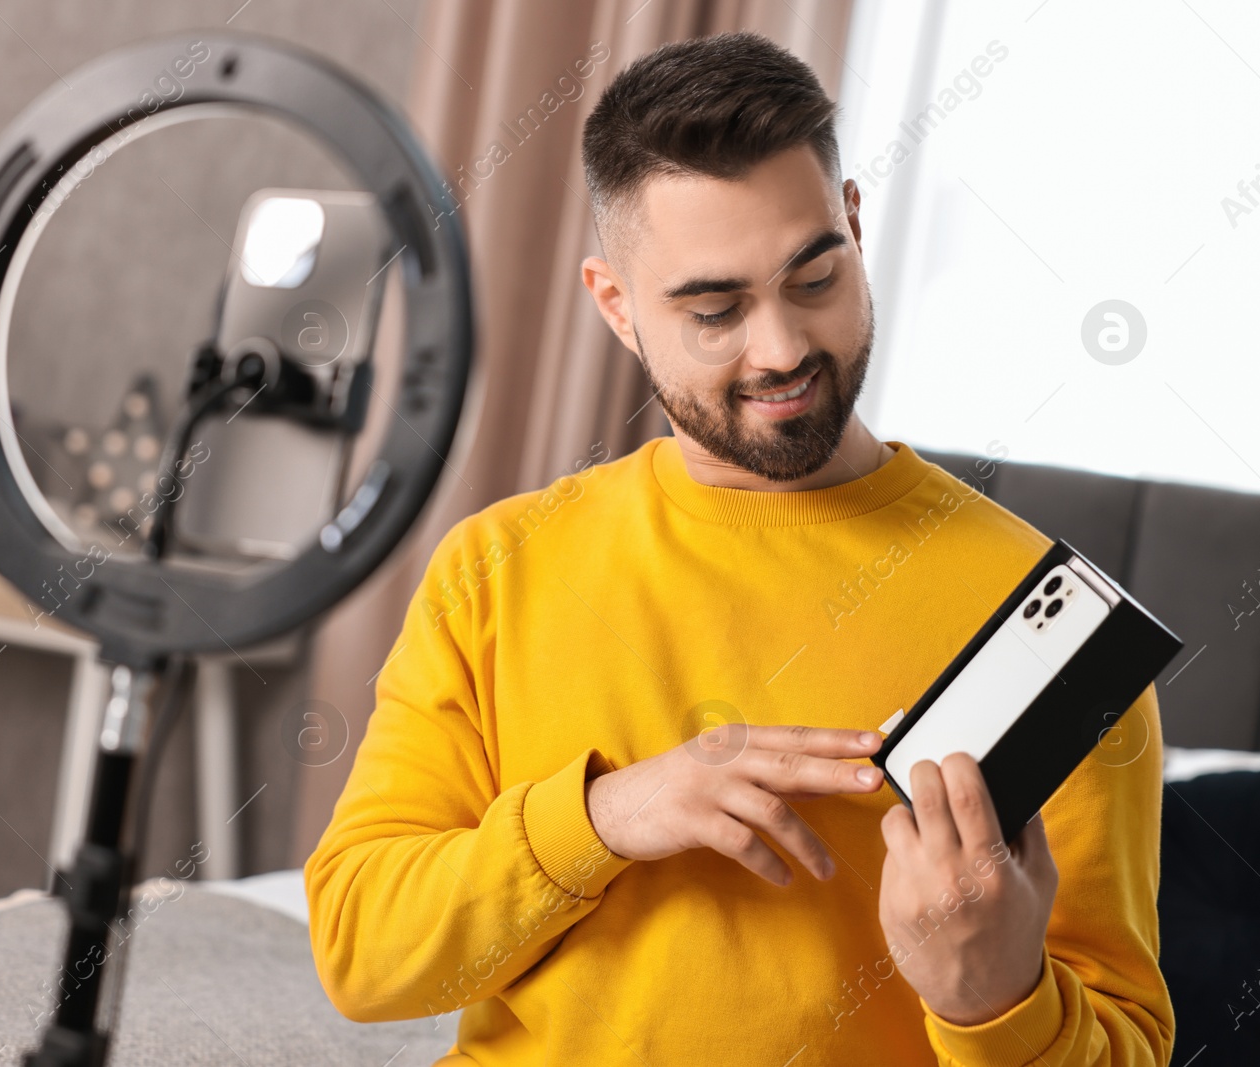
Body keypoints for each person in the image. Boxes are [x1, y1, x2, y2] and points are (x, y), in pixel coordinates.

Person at [305, 30, 1171, 1066]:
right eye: (713, 310)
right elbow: (363, 956)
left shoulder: (1046, 620)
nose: (781, 348)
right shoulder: (495, 565)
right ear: (616, 306)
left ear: (852, 223)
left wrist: (995, 999)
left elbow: (1126, 1041)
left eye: (813, 277)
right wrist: (605, 814)